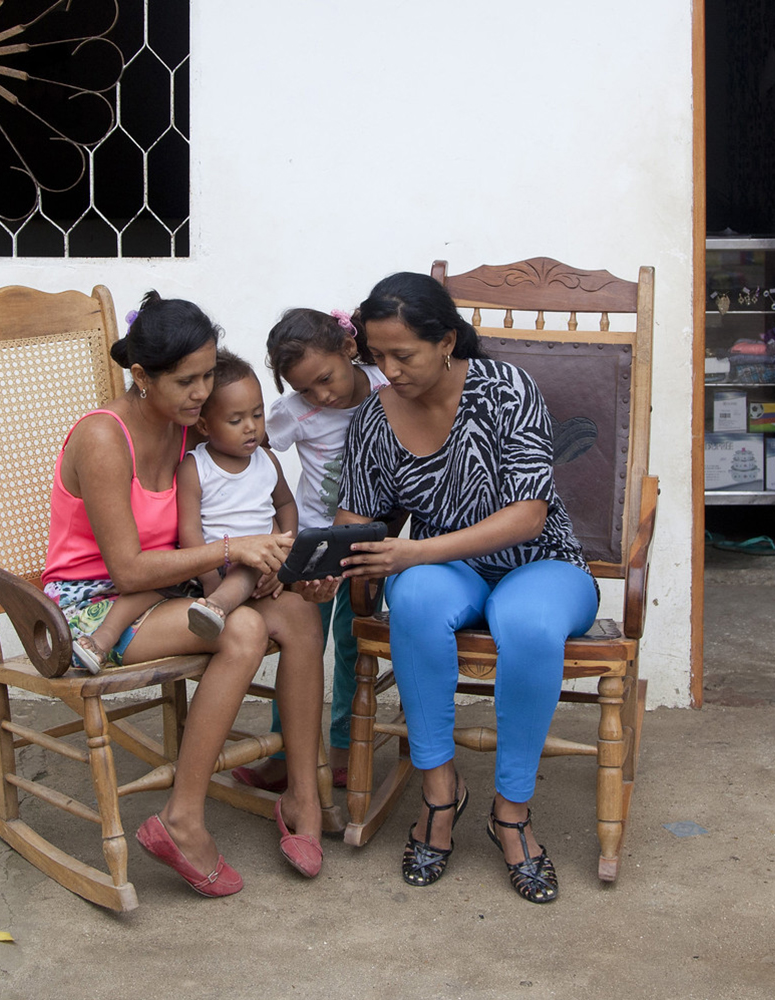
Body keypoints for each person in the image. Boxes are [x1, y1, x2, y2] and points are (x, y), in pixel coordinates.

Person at [42, 292, 329, 896]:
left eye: (207, 375)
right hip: (94, 605)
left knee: (300, 613)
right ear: (142, 376)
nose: (202, 393)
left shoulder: (183, 432)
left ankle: (304, 794)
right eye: (187, 380)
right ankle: (183, 817)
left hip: (172, 587)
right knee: (244, 628)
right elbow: (124, 570)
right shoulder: (104, 438)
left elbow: (232, 506)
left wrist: (271, 559)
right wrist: (235, 551)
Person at [333, 272, 596, 905]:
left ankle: (513, 813)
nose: (388, 369)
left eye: (404, 354)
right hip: (445, 572)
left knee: (528, 624)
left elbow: (528, 514)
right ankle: (440, 795)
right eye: (376, 355)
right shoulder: (374, 419)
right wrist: (328, 557)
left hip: (542, 561)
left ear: (446, 340)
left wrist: (414, 550)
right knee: (416, 599)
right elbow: (358, 519)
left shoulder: (506, 389)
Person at [231, 307, 388, 793]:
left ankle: (343, 746)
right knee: (301, 644)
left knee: (352, 641)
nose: (321, 394)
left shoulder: (388, 389)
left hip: (369, 543)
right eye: (305, 389)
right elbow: (254, 450)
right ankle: (285, 750)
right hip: (312, 548)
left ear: (349, 348)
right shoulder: (295, 413)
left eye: (325, 379)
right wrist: (275, 520)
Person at [176, 349, 297, 636]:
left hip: (265, 566)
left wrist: (286, 557)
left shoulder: (266, 460)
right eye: (235, 421)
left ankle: (219, 605)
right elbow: (189, 532)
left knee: (260, 571)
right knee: (244, 565)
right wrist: (208, 580)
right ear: (204, 425)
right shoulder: (196, 467)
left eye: (257, 414)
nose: (251, 427)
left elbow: (286, 505)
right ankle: (216, 604)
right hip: (216, 567)